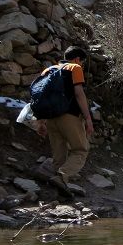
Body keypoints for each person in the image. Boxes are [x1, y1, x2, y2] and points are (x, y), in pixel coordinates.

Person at [35, 46, 94, 195]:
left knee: (59, 157)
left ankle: (59, 194)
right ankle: (62, 177)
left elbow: (40, 97)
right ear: (77, 59)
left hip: (50, 119)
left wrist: (41, 122)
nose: (82, 66)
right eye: (82, 63)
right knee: (81, 150)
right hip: (69, 116)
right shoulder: (74, 67)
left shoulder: (48, 70)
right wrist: (88, 118)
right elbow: (79, 94)